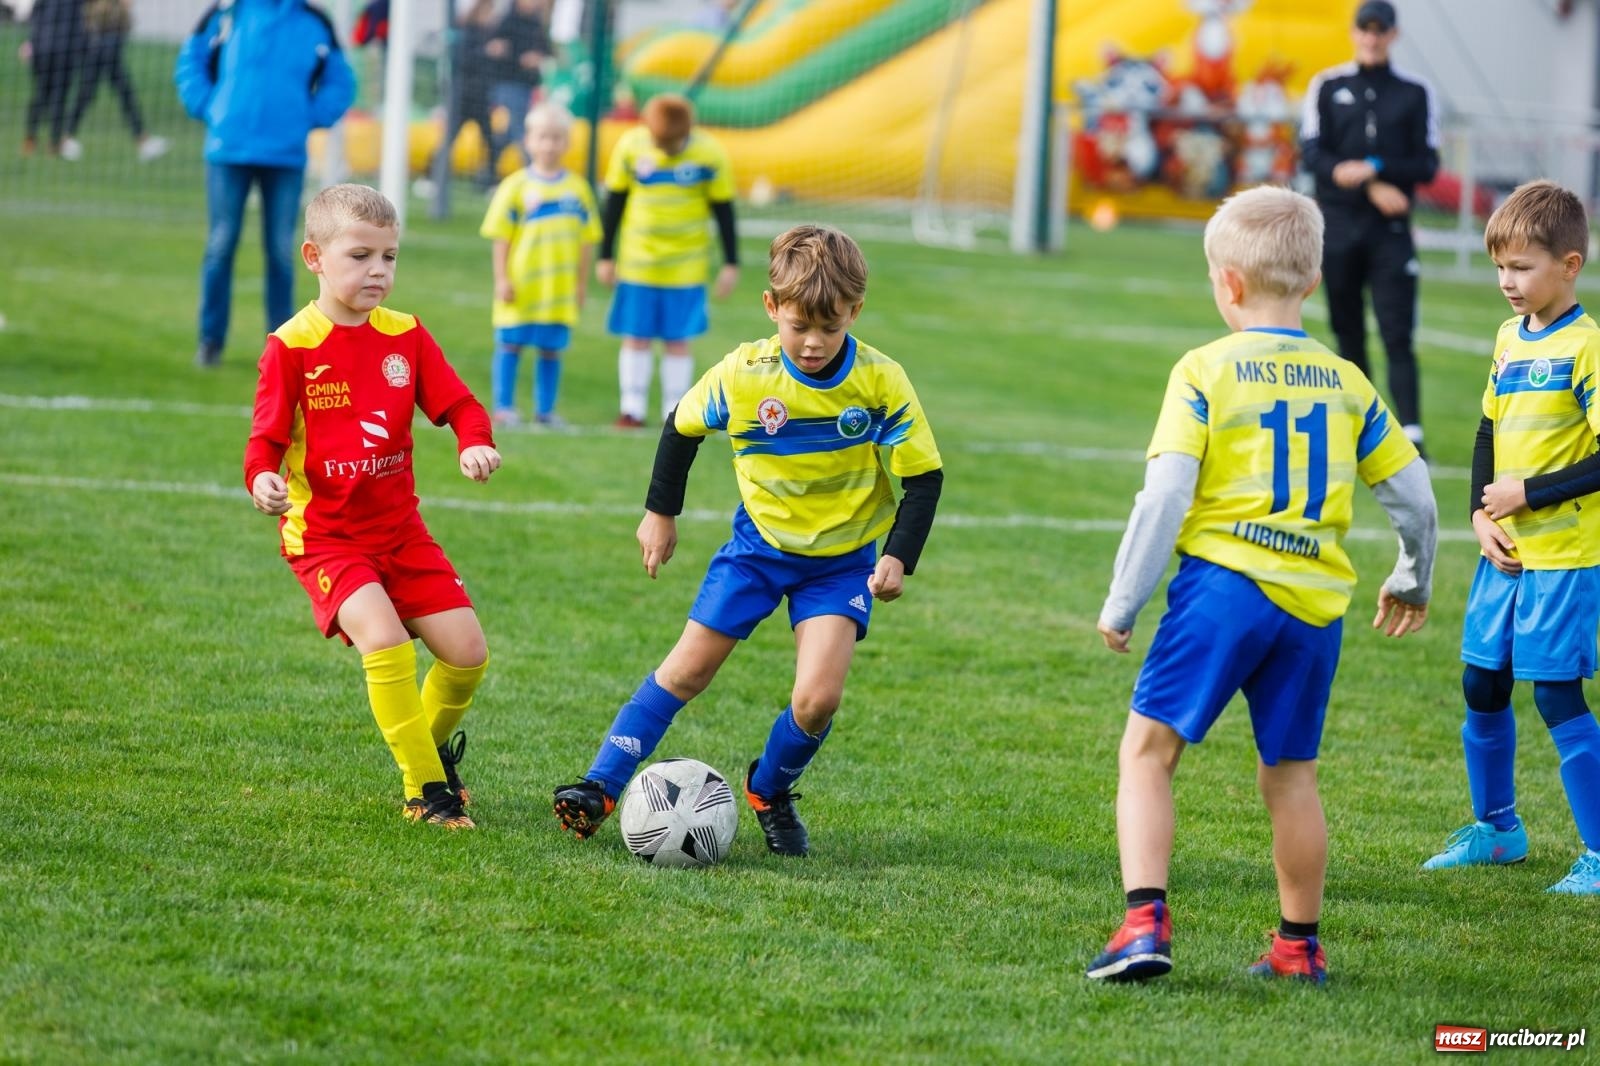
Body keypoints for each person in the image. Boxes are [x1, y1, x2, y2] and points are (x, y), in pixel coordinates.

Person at [1087, 185, 1436, 985]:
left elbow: (1167, 495)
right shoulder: (1348, 381)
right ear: (1311, 284)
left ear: (1229, 285)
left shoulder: (1205, 369)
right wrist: (1412, 577)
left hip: (1225, 590)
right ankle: (1297, 948)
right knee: (1291, 776)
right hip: (1314, 607)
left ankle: (1143, 924)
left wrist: (1122, 601)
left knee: (1147, 752)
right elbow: (1414, 497)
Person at [552, 224, 944, 856]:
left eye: (830, 328)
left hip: (841, 565)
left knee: (817, 701)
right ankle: (600, 785)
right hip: (757, 551)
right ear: (771, 308)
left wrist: (897, 555)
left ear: (855, 312)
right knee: (686, 670)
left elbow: (924, 478)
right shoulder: (743, 373)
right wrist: (661, 513)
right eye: (798, 327)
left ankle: (768, 789)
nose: (813, 343)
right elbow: (680, 428)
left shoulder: (881, 382)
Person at [244, 183, 501, 830]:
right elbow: (266, 439)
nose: (378, 271)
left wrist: (474, 445)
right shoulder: (292, 345)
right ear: (315, 257)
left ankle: (430, 751)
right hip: (327, 536)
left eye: (389, 257)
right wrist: (262, 481)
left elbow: (463, 407)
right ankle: (427, 792)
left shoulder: (406, 336)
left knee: (468, 654)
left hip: (401, 532)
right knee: (385, 641)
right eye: (360, 256)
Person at [1421, 180, 1600, 895]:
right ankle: (1498, 830)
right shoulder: (1508, 338)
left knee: (1556, 695)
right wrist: (1479, 513)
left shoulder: (1587, 347)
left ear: (1570, 265)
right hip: (1506, 552)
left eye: (1522, 267)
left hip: (1563, 555)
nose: (1507, 282)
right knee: (1481, 683)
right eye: (1501, 267)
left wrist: (1530, 494)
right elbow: (1488, 429)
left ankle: (1597, 853)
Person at [174, 0, 357, 368]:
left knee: (280, 251)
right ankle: (210, 342)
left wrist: (309, 115)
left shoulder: (314, 22)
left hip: (285, 155)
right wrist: (212, 107)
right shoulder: (227, 13)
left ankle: (282, 347)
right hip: (229, 150)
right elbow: (190, 61)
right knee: (221, 244)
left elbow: (341, 81)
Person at [1299, 0, 1439, 458]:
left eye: (1381, 30)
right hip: (1338, 227)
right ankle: (1360, 427)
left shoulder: (1415, 92)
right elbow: (1314, 155)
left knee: (1397, 331)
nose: (1372, 38)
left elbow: (1426, 162)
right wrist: (1366, 183)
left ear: (1393, 35)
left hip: (1390, 233)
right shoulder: (1328, 84)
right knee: (1348, 330)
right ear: (1355, 32)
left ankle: (1412, 433)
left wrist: (1376, 169)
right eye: (1365, 29)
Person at [597, 92, 739, 428]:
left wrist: (730, 263)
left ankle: (674, 411)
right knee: (636, 334)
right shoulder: (631, 146)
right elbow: (614, 202)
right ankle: (631, 407)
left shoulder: (709, 154)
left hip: (686, 268)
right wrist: (605, 255)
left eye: (672, 144)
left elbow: (724, 211)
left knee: (678, 339)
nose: (665, 150)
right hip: (638, 262)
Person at [479, 102, 600, 428]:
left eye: (557, 138)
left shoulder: (578, 190)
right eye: (543, 137)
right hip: (522, 285)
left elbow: (587, 240)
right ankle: (504, 406)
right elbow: (500, 237)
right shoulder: (515, 187)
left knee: (551, 349)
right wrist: (501, 278)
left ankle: (545, 411)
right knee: (510, 343)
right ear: (529, 140)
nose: (549, 144)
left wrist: (580, 284)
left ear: (568, 143)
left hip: (557, 291)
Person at [59, 0, 168, 162]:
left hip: (111, 43)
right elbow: (95, 15)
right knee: (91, 93)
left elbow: (124, 20)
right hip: (99, 44)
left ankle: (142, 140)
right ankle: (66, 139)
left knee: (120, 93)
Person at [485, 0, 550, 172]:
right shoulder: (506, 21)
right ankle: (534, 169)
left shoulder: (536, 23)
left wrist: (538, 58)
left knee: (507, 135)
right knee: (521, 129)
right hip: (507, 84)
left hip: (527, 86)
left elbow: (546, 50)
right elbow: (492, 48)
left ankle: (485, 174)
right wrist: (514, 56)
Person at [21, 0, 83, 158]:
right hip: (63, 50)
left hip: (45, 48)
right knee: (57, 98)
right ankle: (52, 143)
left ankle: (31, 139)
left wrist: (32, 42)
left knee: (42, 95)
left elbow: (35, 17)